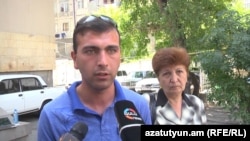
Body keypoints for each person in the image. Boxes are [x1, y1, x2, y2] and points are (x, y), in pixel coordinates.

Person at [37, 15, 152, 141]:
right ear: (75, 59)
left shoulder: (138, 105)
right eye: (91, 51)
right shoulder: (51, 115)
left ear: (120, 56)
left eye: (111, 50)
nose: (103, 62)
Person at [151, 47, 207, 125]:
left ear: (187, 75)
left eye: (179, 71)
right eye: (167, 73)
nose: (174, 79)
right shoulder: (147, 103)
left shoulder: (196, 103)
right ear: (158, 78)